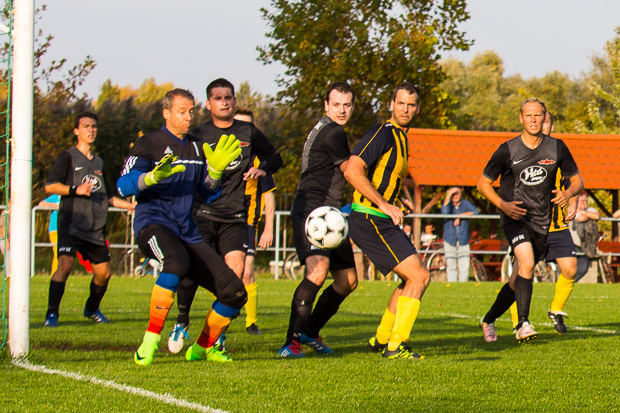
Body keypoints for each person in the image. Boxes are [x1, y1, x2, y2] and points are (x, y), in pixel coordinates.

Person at [117, 88, 248, 365]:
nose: (188, 117)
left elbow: (209, 194)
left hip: (187, 231)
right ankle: (149, 342)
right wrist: (150, 178)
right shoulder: (149, 143)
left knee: (234, 293)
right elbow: (123, 185)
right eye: (182, 112)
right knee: (175, 263)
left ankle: (201, 349)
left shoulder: (198, 146)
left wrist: (215, 173)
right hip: (153, 225)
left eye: (191, 111)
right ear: (166, 113)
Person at [168, 79, 282, 353]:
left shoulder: (248, 132)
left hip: (235, 217)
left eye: (228, 97)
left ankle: (215, 337)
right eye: (218, 98)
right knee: (191, 271)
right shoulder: (197, 135)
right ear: (208, 104)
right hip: (202, 214)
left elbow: (276, 157)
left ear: (234, 100)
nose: (224, 102)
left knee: (235, 276)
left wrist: (263, 169)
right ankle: (181, 321)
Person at [477, 98, 582, 343]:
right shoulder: (507, 149)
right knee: (527, 262)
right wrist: (503, 205)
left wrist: (568, 194)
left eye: (537, 116)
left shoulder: (557, 148)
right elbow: (482, 183)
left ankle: (489, 319)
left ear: (544, 118)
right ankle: (523, 324)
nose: (533, 120)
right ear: (521, 118)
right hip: (515, 217)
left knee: (518, 279)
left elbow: (578, 180)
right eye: (528, 116)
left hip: (542, 221)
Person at [344, 82, 430, 360]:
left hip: (381, 218)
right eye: (400, 103)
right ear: (391, 105)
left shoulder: (402, 139)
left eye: (411, 105)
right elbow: (352, 170)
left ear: (417, 109)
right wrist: (382, 203)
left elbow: (383, 178)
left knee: (411, 279)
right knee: (419, 276)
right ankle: (396, 345)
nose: (405, 109)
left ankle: (381, 339)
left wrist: (396, 200)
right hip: (370, 218)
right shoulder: (382, 132)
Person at [278, 82, 358, 358]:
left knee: (347, 281)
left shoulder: (327, 128)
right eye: (336, 104)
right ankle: (291, 342)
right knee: (317, 271)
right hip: (314, 211)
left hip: (330, 214)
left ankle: (310, 332)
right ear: (326, 106)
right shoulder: (332, 131)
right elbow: (351, 172)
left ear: (352, 107)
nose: (342, 110)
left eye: (346, 105)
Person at [42, 112, 136, 327]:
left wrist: (130, 206)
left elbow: (108, 196)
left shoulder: (99, 162)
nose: (91, 130)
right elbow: (50, 186)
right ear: (77, 131)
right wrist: (75, 189)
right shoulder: (67, 157)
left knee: (104, 273)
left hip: (95, 228)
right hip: (71, 223)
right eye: (86, 126)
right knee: (65, 265)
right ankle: (52, 314)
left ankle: (92, 309)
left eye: (94, 126)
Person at [508, 111, 582, 334]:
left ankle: (556, 310)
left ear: (551, 126)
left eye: (545, 121)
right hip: (529, 226)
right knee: (520, 274)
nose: (540, 124)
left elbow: (574, 182)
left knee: (571, 269)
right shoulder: (520, 151)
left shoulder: (560, 152)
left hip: (556, 226)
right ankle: (519, 323)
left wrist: (572, 201)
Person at [237, 108, 277, 336]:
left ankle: (251, 322)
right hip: (221, 222)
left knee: (247, 272)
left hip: (248, 224)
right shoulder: (221, 156)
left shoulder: (261, 162)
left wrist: (268, 229)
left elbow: (269, 197)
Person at [441, 187, 479, 282]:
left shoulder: (465, 203)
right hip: (450, 239)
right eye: (453, 194)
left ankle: (463, 283)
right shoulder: (448, 205)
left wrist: (461, 215)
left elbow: (476, 212)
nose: (455, 196)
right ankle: (452, 284)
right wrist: (448, 195)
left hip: (463, 239)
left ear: (461, 194)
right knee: (451, 263)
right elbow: (444, 212)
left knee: (464, 263)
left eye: (457, 193)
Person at [571, 192, 600, 282]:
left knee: (583, 268)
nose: (584, 203)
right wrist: (587, 215)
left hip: (586, 246)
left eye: (585, 201)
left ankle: (571, 283)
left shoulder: (590, 209)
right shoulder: (572, 210)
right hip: (572, 244)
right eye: (582, 201)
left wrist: (584, 212)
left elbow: (596, 216)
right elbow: (580, 218)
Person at [38, 194, 61, 276]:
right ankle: (55, 274)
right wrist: (56, 206)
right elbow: (41, 204)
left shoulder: (70, 197)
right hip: (55, 229)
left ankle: (61, 274)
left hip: (67, 229)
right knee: (57, 251)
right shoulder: (55, 197)